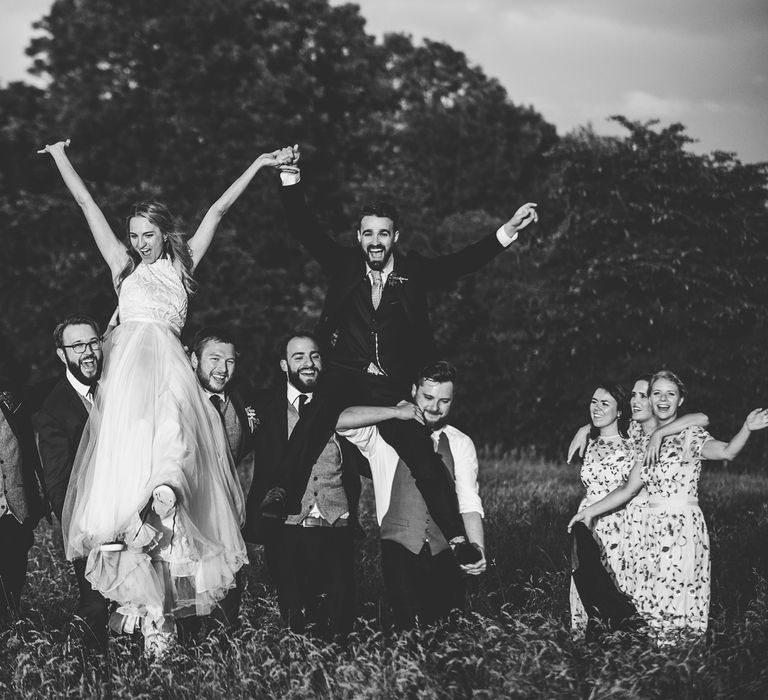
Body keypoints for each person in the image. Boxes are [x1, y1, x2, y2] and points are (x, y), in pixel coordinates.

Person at [39, 139, 289, 654]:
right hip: (128, 372)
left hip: (170, 369)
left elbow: (218, 208)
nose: (139, 243)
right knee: (127, 456)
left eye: (147, 235)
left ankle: (167, 509)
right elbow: (88, 205)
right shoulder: (122, 266)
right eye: (133, 236)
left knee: (173, 445)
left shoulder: (184, 260)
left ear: (164, 232)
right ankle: (134, 577)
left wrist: (260, 165)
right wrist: (61, 154)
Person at [261, 145, 537, 567]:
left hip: (393, 384)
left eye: (383, 233)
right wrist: (290, 178)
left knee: (423, 457)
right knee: (315, 420)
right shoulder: (343, 265)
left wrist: (506, 231)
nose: (375, 241)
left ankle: (459, 539)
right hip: (345, 373)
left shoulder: (414, 273)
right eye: (368, 233)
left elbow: (462, 262)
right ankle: (282, 493)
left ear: (395, 237)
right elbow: (304, 229)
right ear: (359, 237)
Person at [568, 370, 768, 642]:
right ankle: (651, 659)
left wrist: (746, 428)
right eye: (656, 393)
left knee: (677, 597)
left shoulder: (690, 434)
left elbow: (726, 450)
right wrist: (588, 511)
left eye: (670, 394)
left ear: (680, 399)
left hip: (681, 527)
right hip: (649, 530)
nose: (662, 399)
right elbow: (628, 488)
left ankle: (679, 661)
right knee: (647, 600)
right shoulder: (642, 437)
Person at [337, 361, 486, 628]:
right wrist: (395, 411)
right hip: (398, 549)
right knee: (407, 632)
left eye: (444, 401)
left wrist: (477, 548)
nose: (434, 407)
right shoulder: (382, 436)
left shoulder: (461, 442)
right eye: (427, 397)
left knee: (449, 632)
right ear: (413, 390)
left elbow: (469, 501)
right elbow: (340, 421)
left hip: (446, 551)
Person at [243, 332, 364, 639]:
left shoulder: (339, 403)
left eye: (314, 356)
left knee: (340, 618)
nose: (309, 363)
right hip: (284, 524)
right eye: (299, 357)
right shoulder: (262, 405)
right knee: (295, 617)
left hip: (336, 519)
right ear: (284, 365)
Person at [33, 314, 111, 649]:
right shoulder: (53, 409)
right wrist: (88, 530)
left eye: (93, 342)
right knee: (96, 603)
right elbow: (58, 484)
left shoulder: (116, 388)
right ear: (62, 354)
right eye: (77, 346)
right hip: (87, 524)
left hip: (133, 514)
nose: (88, 352)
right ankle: (82, 670)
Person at [0, 338, 47, 627]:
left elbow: (58, 383)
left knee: (14, 571)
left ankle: (10, 624)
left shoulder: (13, 398)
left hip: (15, 508)